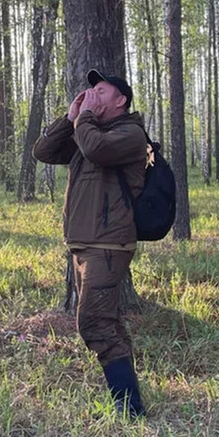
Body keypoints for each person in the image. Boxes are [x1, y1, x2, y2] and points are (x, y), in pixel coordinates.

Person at [33, 69, 150, 417]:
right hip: (84, 243)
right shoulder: (87, 133)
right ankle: (128, 402)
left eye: (101, 90)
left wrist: (83, 120)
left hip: (109, 244)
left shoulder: (130, 133)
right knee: (106, 322)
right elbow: (44, 151)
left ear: (120, 100)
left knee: (95, 323)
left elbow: (97, 150)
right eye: (91, 90)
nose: (92, 95)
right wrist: (68, 119)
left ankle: (130, 409)